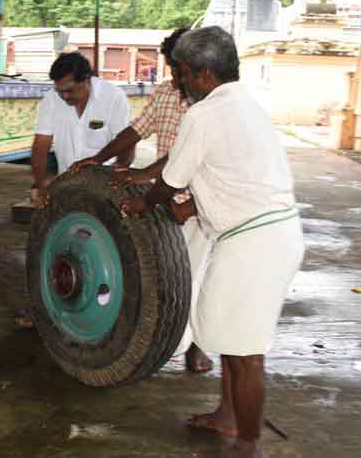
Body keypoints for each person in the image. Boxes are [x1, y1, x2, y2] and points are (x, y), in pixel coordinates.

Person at [119, 26, 304, 458]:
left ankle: (248, 442)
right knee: (230, 336)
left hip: (256, 244)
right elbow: (229, 175)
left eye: (183, 73)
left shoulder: (204, 115)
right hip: (265, 234)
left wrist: (145, 203)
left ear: (202, 73)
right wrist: (190, 207)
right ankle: (228, 416)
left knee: (246, 353)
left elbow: (169, 180)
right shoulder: (247, 106)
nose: (180, 82)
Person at [71, 28, 214, 374]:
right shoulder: (166, 92)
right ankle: (161, 342)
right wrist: (101, 157)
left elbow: (189, 156)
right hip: (163, 199)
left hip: (197, 202)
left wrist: (142, 175)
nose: (174, 75)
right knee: (162, 279)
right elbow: (137, 130)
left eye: (179, 69)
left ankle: (199, 346)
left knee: (194, 278)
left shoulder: (210, 103)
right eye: (171, 67)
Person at [30, 52, 131, 206]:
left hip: (104, 186)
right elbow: (40, 146)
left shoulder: (114, 97)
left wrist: (118, 176)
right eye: (59, 91)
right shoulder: (51, 98)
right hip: (65, 184)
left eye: (69, 90)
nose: (63, 96)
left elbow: (127, 142)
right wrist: (40, 185)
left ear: (86, 80)